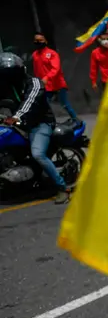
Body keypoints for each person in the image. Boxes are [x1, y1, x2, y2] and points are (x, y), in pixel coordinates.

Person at [0, 52, 71, 204]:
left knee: (38, 154)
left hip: (41, 123)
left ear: (20, 70)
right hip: (20, 125)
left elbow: (29, 102)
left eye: (11, 72)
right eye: (5, 73)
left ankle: (62, 188)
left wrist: (16, 117)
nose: (9, 76)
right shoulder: (7, 87)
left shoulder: (34, 83)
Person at [30, 34, 79, 122]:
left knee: (64, 103)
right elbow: (36, 70)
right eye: (36, 40)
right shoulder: (34, 55)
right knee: (44, 105)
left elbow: (56, 68)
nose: (38, 42)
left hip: (57, 83)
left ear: (46, 41)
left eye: (41, 40)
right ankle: (50, 122)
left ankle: (76, 120)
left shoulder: (52, 54)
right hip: (45, 85)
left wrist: (47, 77)